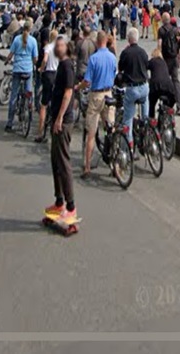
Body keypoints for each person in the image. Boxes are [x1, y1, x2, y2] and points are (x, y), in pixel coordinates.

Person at [44, 36, 78, 228]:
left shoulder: (67, 66)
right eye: (56, 45)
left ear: (66, 48)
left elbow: (67, 93)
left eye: (60, 45)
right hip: (59, 119)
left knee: (63, 163)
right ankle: (59, 202)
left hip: (62, 122)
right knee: (55, 161)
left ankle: (71, 207)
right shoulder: (63, 65)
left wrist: (58, 118)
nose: (57, 48)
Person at [78, 30, 118, 179]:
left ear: (97, 42)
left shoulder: (94, 59)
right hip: (109, 94)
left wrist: (78, 87)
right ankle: (116, 166)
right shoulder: (113, 57)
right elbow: (114, 73)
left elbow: (87, 81)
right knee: (111, 130)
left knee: (91, 133)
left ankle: (87, 167)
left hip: (96, 95)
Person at [5, 20, 38, 131]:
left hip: (17, 69)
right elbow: (35, 58)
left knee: (14, 96)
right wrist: (34, 64)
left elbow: (11, 54)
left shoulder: (17, 39)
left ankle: (9, 123)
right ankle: (29, 115)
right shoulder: (33, 41)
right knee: (29, 93)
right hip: (28, 70)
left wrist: (7, 60)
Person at [117, 28, 150, 143]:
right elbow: (147, 65)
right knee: (145, 102)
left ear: (128, 39)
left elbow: (120, 68)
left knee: (128, 118)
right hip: (144, 86)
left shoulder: (126, 53)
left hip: (132, 88)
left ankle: (128, 146)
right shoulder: (143, 51)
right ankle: (146, 128)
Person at [35, 29, 58, 143]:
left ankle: (40, 132)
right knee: (55, 103)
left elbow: (44, 59)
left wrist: (41, 69)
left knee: (43, 105)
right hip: (57, 75)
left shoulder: (48, 48)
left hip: (48, 74)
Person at [158, 13, 180, 114]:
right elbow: (179, 44)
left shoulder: (161, 30)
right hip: (174, 58)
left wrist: (159, 57)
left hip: (166, 59)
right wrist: (178, 56)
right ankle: (179, 105)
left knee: (165, 81)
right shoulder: (175, 30)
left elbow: (159, 44)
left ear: (163, 20)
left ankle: (166, 104)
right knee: (176, 81)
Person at [148, 47, 175, 118]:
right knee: (170, 101)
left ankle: (151, 118)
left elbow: (144, 67)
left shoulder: (152, 61)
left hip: (156, 86)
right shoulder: (164, 62)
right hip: (168, 86)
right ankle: (168, 115)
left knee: (151, 103)